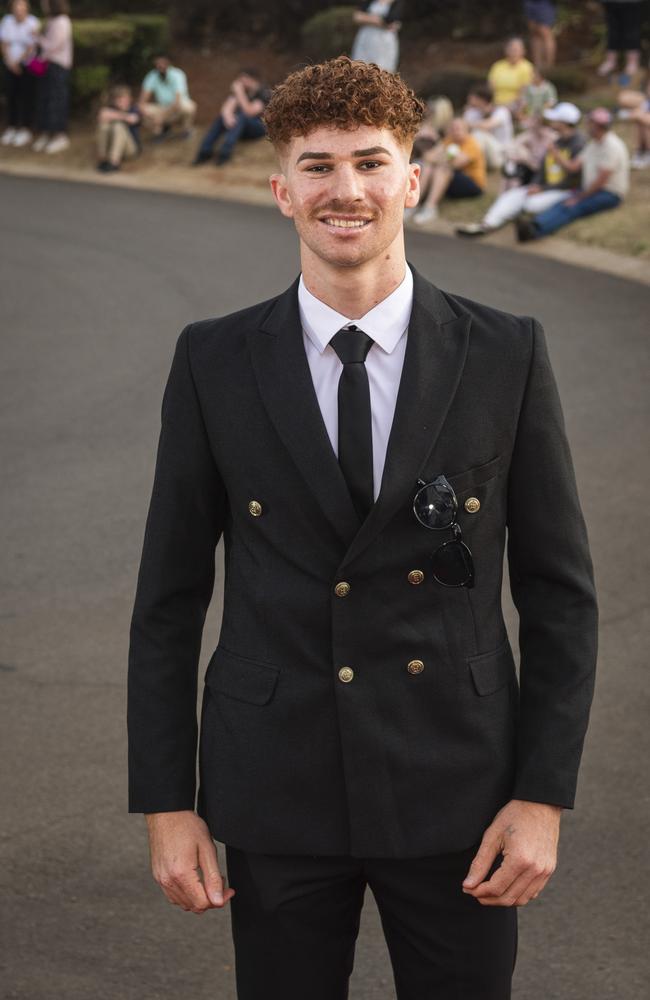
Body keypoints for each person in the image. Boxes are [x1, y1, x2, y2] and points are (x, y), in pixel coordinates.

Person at [128, 55, 598, 1000]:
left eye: (372, 162)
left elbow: (558, 594)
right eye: (318, 165)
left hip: (459, 785)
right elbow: (168, 600)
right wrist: (167, 804)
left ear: (413, 180)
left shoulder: (505, 352)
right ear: (280, 189)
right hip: (278, 785)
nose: (347, 189)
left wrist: (542, 795)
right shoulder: (213, 359)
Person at [457, 102, 585, 237]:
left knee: (532, 205)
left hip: (563, 190)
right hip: (544, 187)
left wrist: (542, 188)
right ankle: (486, 225)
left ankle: (528, 222)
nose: (551, 121)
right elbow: (542, 170)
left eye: (556, 119)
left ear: (564, 122)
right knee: (511, 196)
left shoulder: (579, 143)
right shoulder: (556, 141)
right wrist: (536, 185)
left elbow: (574, 178)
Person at [516, 107, 629, 241]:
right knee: (563, 202)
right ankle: (535, 224)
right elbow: (573, 167)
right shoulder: (593, 144)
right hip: (593, 189)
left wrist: (581, 196)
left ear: (597, 126)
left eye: (589, 123)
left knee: (574, 207)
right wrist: (555, 153)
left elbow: (601, 180)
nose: (587, 126)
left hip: (609, 193)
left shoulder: (611, 146)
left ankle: (535, 231)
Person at [413, 116, 486, 224]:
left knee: (442, 169)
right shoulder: (449, 140)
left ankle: (430, 207)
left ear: (466, 130)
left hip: (473, 184)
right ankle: (415, 203)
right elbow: (427, 157)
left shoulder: (472, 144)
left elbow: (456, 164)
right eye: (453, 128)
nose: (455, 131)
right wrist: (440, 158)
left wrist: (439, 158)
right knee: (428, 166)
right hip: (453, 179)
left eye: (458, 128)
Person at [191, 69, 270, 167]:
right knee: (221, 118)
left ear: (252, 79)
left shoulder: (263, 93)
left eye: (243, 79)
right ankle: (204, 153)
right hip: (240, 126)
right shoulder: (243, 91)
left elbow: (249, 111)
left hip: (258, 128)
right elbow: (226, 109)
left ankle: (224, 154)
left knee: (242, 116)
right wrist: (228, 117)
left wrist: (239, 92)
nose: (240, 82)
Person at [31, 0, 72, 154]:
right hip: (47, 66)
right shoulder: (51, 20)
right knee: (45, 99)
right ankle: (47, 132)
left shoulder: (62, 21)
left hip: (58, 66)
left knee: (57, 100)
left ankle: (59, 135)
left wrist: (37, 38)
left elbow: (53, 46)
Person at [0, 0, 40, 147]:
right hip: (9, 64)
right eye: (16, 7)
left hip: (26, 65)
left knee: (26, 96)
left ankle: (25, 127)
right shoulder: (7, 21)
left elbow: (31, 46)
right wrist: (10, 62)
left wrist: (18, 62)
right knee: (11, 95)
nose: (19, 10)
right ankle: (11, 126)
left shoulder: (32, 22)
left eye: (22, 7)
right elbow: (4, 43)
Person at [138, 53, 196, 140]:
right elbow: (143, 99)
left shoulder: (177, 74)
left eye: (162, 63)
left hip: (177, 106)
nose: (160, 65)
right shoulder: (152, 76)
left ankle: (186, 129)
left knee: (188, 107)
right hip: (162, 107)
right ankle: (162, 131)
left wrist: (161, 117)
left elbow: (177, 101)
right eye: (158, 63)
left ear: (168, 63)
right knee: (140, 110)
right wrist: (143, 109)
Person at [463, 82, 514, 169]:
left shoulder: (501, 111)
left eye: (473, 97)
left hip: (500, 154)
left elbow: (488, 125)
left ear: (481, 99)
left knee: (479, 134)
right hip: (482, 154)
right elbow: (463, 129)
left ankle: (469, 163)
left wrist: (469, 124)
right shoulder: (471, 112)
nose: (469, 99)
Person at [95, 84, 141, 173]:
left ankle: (114, 162)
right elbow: (102, 114)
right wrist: (119, 115)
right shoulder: (112, 108)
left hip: (130, 148)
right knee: (103, 126)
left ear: (130, 99)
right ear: (115, 101)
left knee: (118, 126)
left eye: (125, 99)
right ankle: (102, 159)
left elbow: (133, 119)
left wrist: (117, 116)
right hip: (112, 146)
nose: (123, 102)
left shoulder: (134, 109)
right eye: (120, 100)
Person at [597, 0, 644, 84]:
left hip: (631, 3)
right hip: (611, 3)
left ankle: (632, 62)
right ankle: (611, 61)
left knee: (631, 32)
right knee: (612, 32)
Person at [351, 1, 403, 72]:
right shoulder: (369, 2)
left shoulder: (397, 3)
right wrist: (380, 21)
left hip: (384, 42)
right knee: (360, 68)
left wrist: (366, 18)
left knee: (383, 70)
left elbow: (391, 21)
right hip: (366, 39)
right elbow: (357, 16)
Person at [488, 37, 534, 108]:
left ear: (523, 51)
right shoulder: (497, 66)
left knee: (501, 112)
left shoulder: (527, 67)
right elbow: (490, 88)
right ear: (506, 50)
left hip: (514, 105)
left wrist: (503, 105)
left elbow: (524, 92)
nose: (514, 52)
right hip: (495, 103)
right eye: (512, 49)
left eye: (516, 49)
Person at [617, 77, 650, 168]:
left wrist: (634, 115)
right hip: (641, 113)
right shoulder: (644, 101)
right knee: (640, 121)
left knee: (642, 121)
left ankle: (644, 153)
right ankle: (640, 153)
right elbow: (622, 97)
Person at [523, 1, 557, 70]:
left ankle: (549, 66)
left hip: (544, 4)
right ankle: (538, 66)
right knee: (535, 34)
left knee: (545, 33)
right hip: (529, 3)